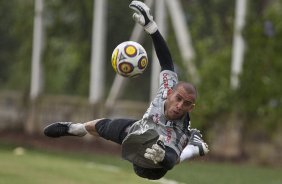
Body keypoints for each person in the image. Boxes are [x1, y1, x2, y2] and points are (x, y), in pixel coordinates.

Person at [43, 1, 209, 180]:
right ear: (170, 93)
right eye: (178, 99)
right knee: (104, 125)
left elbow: (170, 160)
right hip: (141, 130)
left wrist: (163, 158)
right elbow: (167, 61)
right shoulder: (168, 87)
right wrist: (151, 27)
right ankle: (76, 129)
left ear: (191, 108)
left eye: (186, 104)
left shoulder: (177, 131)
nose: (179, 105)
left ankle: (193, 147)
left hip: (151, 165)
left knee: (172, 157)